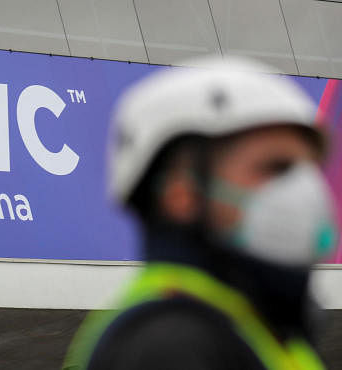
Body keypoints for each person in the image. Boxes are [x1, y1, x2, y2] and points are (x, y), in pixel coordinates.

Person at [63, 57, 338, 370]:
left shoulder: (259, 332)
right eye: (276, 168)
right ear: (181, 192)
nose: (303, 189)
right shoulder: (166, 344)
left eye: (307, 170)